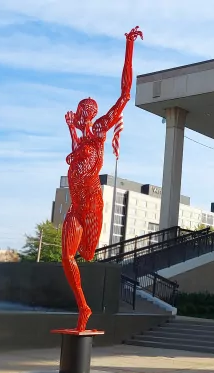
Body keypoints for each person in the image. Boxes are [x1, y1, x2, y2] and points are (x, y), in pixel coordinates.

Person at [61, 26, 142, 331]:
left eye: (84, 112)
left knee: (86, 254)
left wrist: (129, 46)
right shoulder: (81, 139)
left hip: (91, 203)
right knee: (67, 256)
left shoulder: (97, 132)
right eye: (79, 112)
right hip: (75, 205)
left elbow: (124, 95)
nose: (80, 116)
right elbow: (76, 155)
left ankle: (87, 307)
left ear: (91, 114)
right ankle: (84, 307)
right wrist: (71, 131)